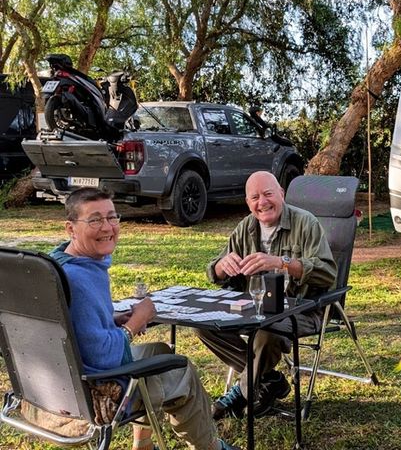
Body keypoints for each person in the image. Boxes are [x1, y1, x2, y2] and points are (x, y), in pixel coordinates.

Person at [49, 188, 239, 450]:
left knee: (158, 351)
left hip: (54, 388)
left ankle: (143, 445)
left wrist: (111, 318)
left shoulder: (56, 264)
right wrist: (133, 324)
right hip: (96, 395)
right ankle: (210, 447)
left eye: (112, 217)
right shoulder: (79, 278)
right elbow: (102, 356)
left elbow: (73, 325)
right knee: (182, 371)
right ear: (70, 228)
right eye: (95, 220)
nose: (107, 227)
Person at [195, 171, 337, 419]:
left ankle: (241, 392)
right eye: (255, 197)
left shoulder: (306, 223)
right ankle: (269, 379)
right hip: (254, 308)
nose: (262, 202)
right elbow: (215, 271)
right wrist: (222, 266)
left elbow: (327, 273)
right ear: (248, 202)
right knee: (203, 326)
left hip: (301, 308)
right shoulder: (246, 227)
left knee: (267, 332)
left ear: (281, 194)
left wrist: (282, 262)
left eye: (268, 194)